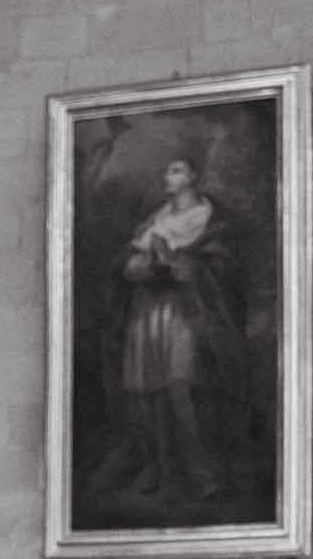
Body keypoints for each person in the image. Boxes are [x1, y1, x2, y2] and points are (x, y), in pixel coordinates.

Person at [97, 155, 249, 508]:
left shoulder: (209, 220)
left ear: (193, 175)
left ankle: (203, 474)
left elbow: (219, 267)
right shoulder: (156, 220)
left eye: (177, 169)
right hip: (147, 312)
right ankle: (161, 468)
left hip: (187, 312)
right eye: (167, 169)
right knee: (147, 392)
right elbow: (128, 263)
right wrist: (138, 268)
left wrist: (182, 266)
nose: (168, 176)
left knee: (183, 386)